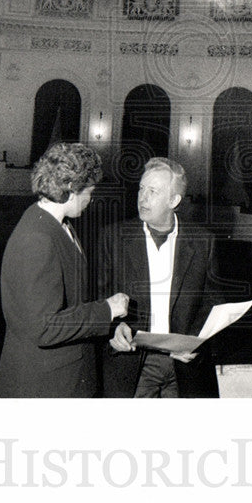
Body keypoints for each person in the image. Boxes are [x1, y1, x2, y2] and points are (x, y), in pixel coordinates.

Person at [0, 142, 129, 398]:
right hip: (45, 386)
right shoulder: (37, 237)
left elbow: (70, 303)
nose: (91, 199)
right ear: (71, 188)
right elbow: (43, 327)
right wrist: (107, 310)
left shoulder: (55, 225)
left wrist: (109, 325)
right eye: (89, 191)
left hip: (62, 375)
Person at [99, 157, 221, 398]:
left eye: (152, 191)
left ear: (174, 200)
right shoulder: (113, 237)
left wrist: (196, 342)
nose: (142, 198)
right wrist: (113, 329)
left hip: (184, 366)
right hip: (132, 364)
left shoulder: (203, 241)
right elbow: (98, 297)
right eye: (141, 189)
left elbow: (213, 303)